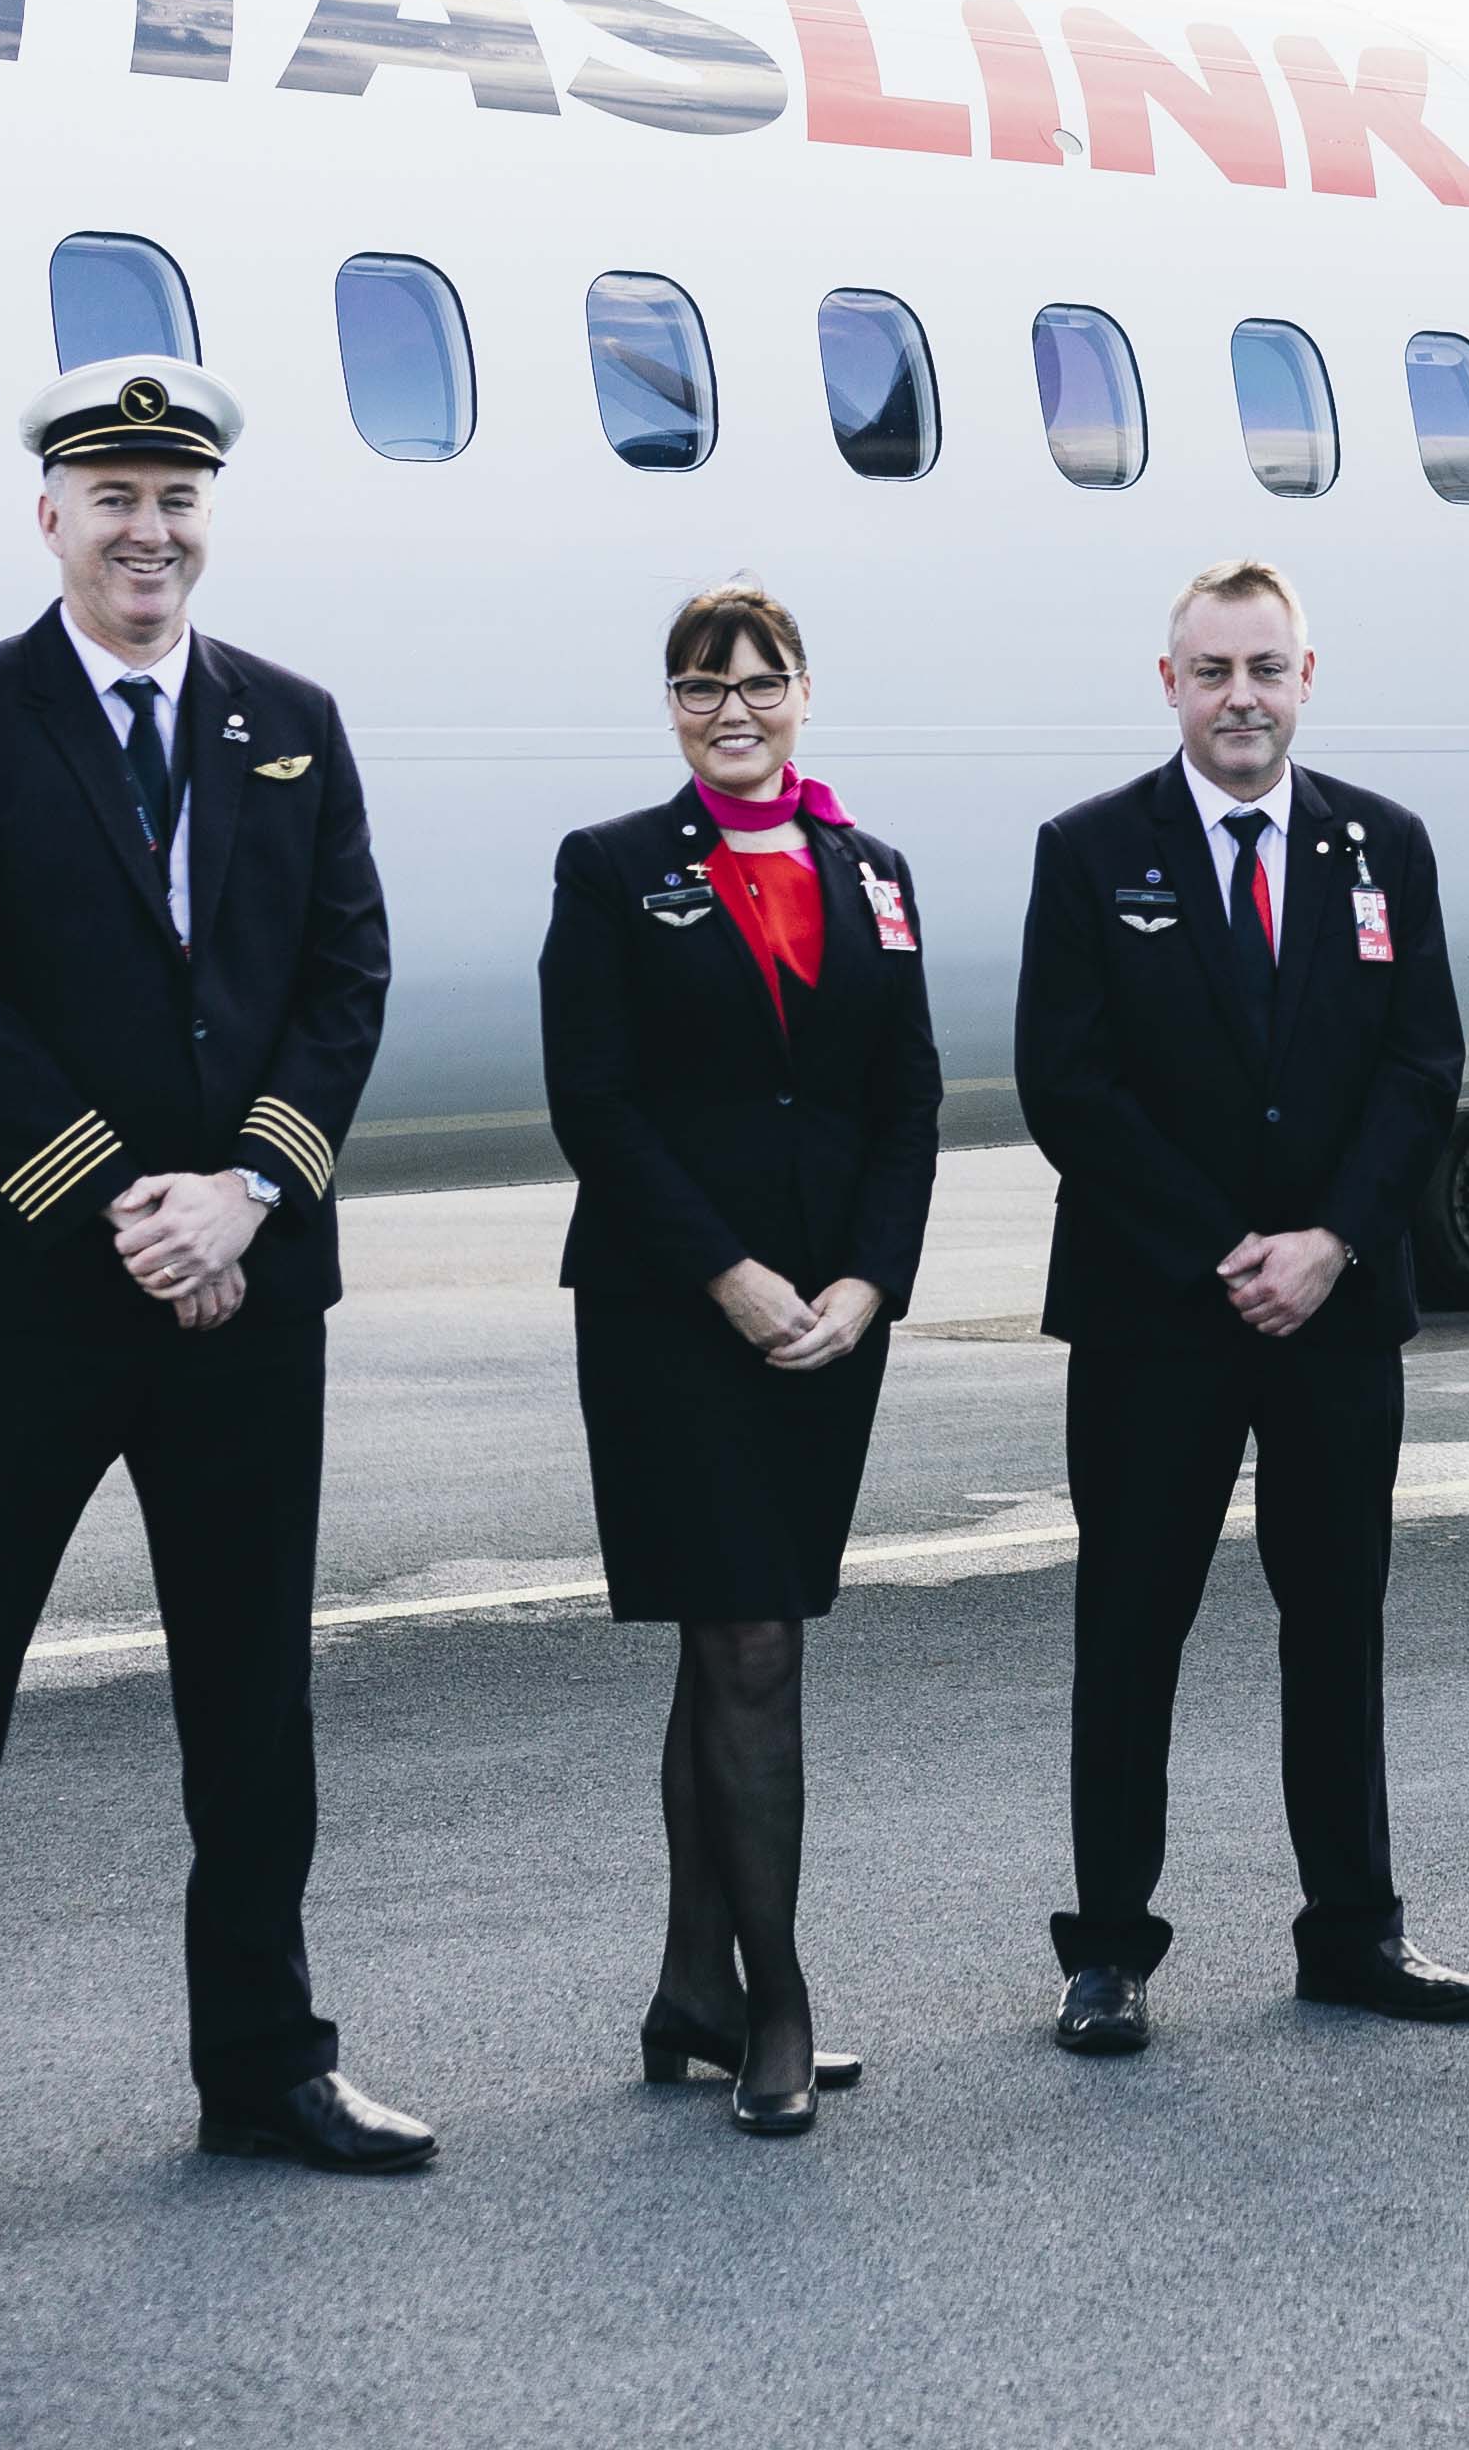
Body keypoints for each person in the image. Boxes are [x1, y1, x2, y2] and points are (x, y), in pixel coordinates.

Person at [0, 360, 426, 2247]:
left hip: (245, 1292)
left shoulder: (292, 724)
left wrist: (243, 1193)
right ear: (53, 518)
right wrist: (121, 1204)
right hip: (25, 1301)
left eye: (177, 498)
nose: (148, 530)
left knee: (253, 1707)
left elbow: (346, 981)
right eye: (115, 498)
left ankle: (263, 2066)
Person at [1011, 559, 1469, 2052]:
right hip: (1161, 1314)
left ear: (1305, 679)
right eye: (1212, 671)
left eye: (1265, 670)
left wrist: (1333, 1243)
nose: (1241, 698)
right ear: (1170, 686)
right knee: (1131, 1626)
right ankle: (1108, 1952)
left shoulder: (1379, 847)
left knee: (1337, 1622)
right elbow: (1066, 1087)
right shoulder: (1092, 852)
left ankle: (1354, 1930)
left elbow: (1424, 1067)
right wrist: (1231, 1248)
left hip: (1335, 1313)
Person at [540, 581, 943, 2136]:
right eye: (702, 686)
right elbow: (600, 1104)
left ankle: (687, 1987)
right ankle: (775, 2002)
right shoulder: (615, 870)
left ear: (803, 692)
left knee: (735, 1642)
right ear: (672, 707)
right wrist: (730, 1272)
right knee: (751, 1647)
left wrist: (870, 1282)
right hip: (672, 1314)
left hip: (828, 1323)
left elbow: (905, 1099)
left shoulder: (876, 873)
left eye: (759, 681)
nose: (733, 707)